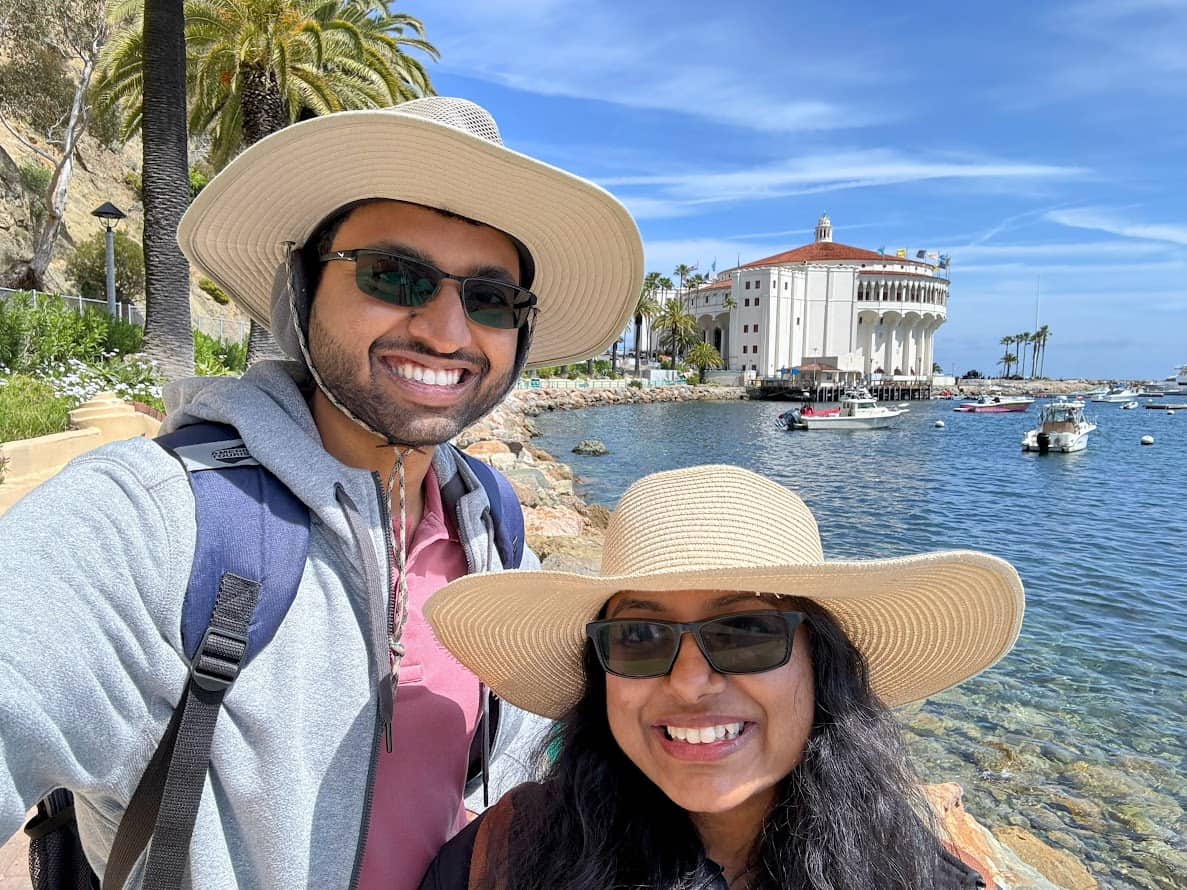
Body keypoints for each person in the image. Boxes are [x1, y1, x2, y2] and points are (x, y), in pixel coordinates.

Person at [0, 97, 643, 888]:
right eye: (395, 276)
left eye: (490, 299)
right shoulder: (161, 519)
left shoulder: (491, 520)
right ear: (300, 291)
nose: (446, 333)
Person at [419, 464, 1025, 889]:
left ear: (823, 663)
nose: (688, 683)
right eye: (639, 637)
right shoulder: (498, 865)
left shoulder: (918, 878)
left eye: (745, 633)